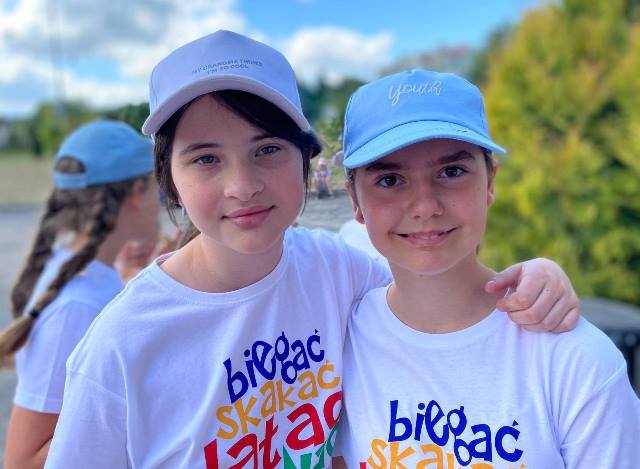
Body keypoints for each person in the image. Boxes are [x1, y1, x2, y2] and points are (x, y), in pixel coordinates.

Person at [45, 32, 580, 469]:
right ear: (170, 179)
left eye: (268, 149)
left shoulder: (337, 269)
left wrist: (538, 275)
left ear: (307, 162)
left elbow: (434, 280)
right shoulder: (121, 344)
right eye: (206, 159)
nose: (242, 186)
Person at [333, 70, 640, 468]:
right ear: (355, 202)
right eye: (390, 180)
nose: (425, 206)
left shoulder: (575, 359)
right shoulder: (340, 341)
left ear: (490, 181)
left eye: (451, 172)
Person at [0, 119, 160, 469]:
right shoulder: (76, 306)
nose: (160, 201)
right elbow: (21, 461)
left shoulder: (82, 272)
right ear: (135, 192)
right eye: (154, 186)